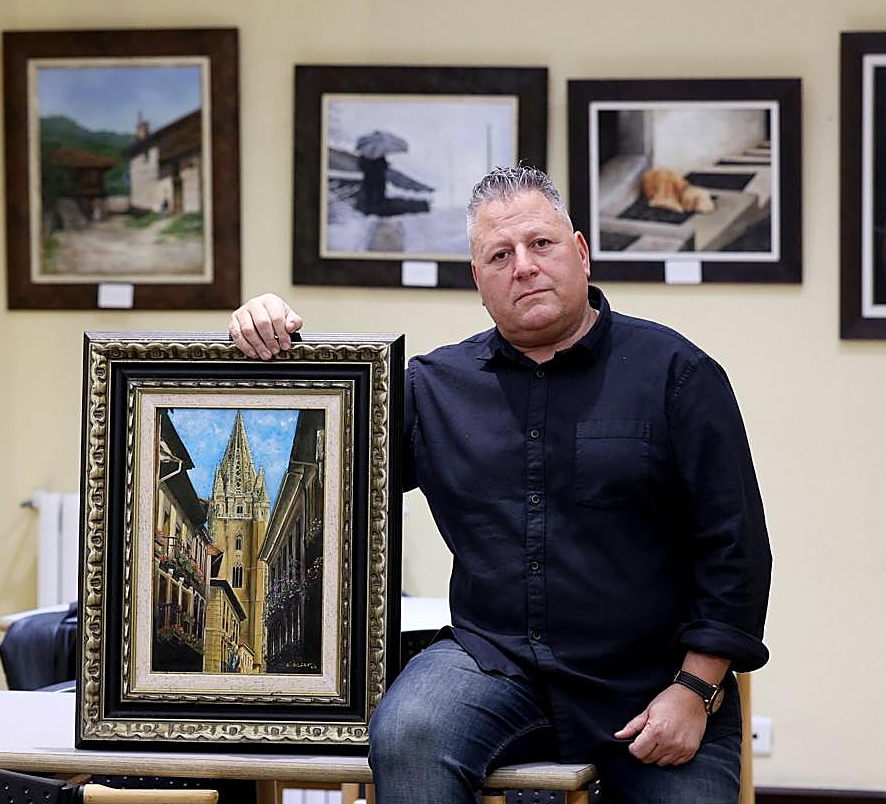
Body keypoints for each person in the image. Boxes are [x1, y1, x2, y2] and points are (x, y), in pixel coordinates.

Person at [228, 166, 771, 804]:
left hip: (654, 679)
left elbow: (735, 548)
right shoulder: (431, 390)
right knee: (408, 732)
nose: (525, 266)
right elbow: (314, 469)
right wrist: (276, 349)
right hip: (493, 665)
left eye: (541, 245)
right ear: (478, 281)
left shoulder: (678, 375)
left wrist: (697, 689)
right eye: (500, 254)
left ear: (581, 253)